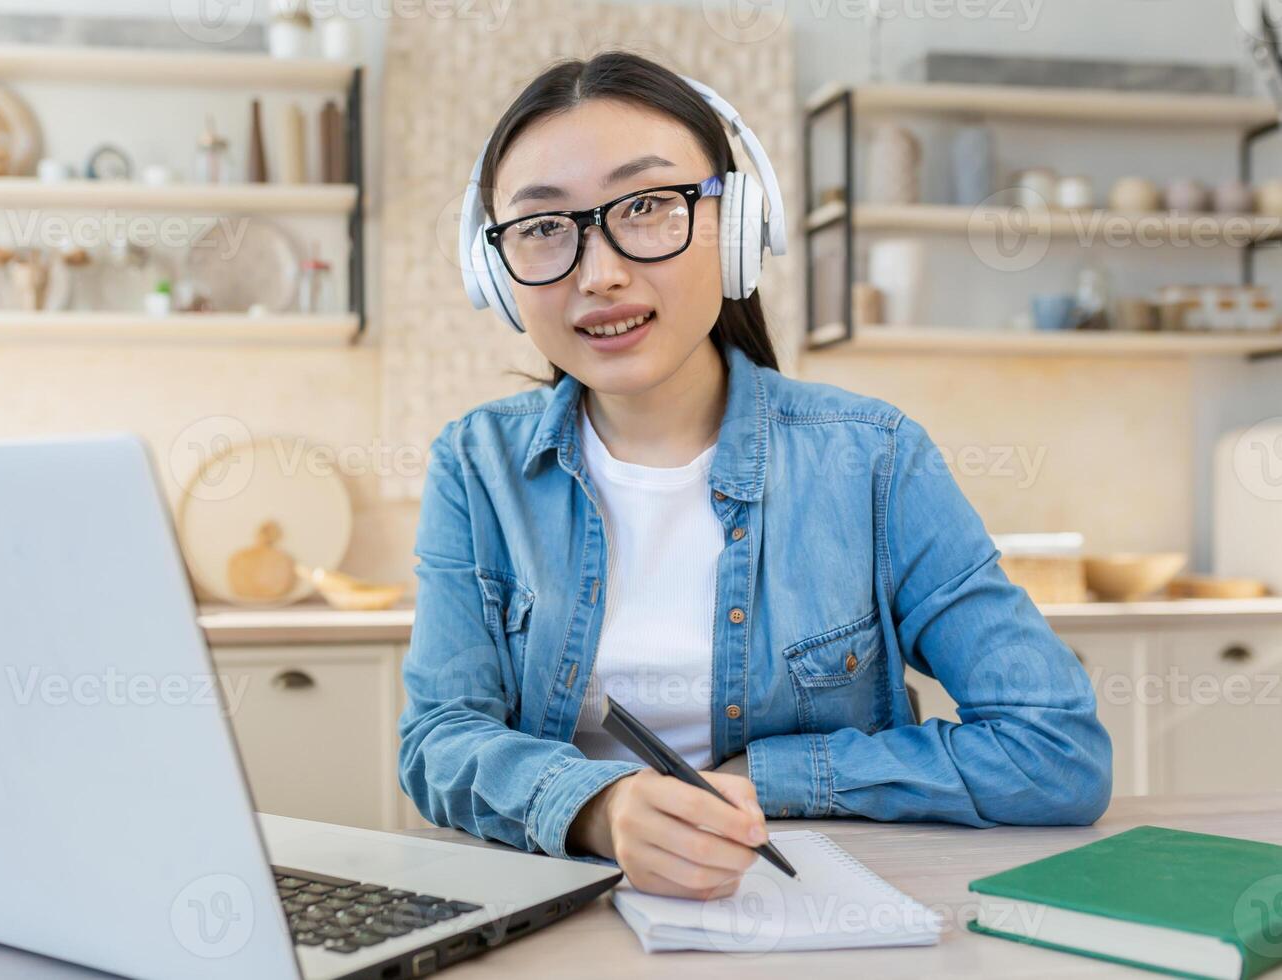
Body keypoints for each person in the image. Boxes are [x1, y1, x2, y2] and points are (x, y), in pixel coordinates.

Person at [398, 50, 1111, 902]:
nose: (600, 274)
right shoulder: (477, 467)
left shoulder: (874, 459)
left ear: (737, 228)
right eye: (545, 227)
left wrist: (774, 776)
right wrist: (599, 808)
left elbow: (1057, 751)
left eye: (648, 206)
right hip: (566, 916)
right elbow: (438, 739)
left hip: (811, 915)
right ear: (497, 273)